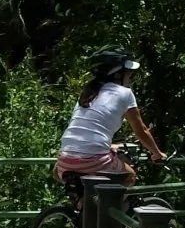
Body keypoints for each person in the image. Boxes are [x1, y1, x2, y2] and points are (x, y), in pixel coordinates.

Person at [55, 50, 166, 188]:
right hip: (94, 160)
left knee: (71, 175)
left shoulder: (88, 92)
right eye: (128, 73)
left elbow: (86, 130)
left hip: (64, 161)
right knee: (130, 176)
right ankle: (108, 209)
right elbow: (141, 130)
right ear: (118, 74)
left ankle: (82, 203)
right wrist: (157, 153)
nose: (130, 77)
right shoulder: (125, 94)